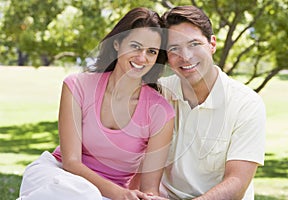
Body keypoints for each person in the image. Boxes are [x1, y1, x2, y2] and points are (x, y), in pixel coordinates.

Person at [18, 7, 175, 200]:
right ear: (117, 43)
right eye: (135, 46)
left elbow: (149, 186)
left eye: (151, 51)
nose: (142, 58)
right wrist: (120, 194)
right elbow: (71, 162)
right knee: (85, 193)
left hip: (109, 196)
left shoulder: (161, 112)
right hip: (57, 175)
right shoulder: (77, 86)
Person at [158, 5, 266, 200]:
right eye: (174, 48)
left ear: (212, 44)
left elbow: (237, 182)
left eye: (194, 44)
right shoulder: (159, 94)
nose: (186, 56)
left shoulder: (246, 104)